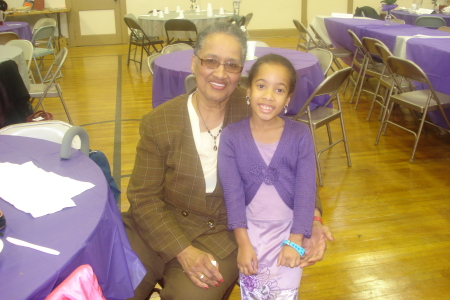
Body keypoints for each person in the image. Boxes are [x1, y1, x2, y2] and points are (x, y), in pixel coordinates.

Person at [122, 22, 333, 300]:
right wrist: (183, 251)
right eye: (211, 61)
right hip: (153, 229)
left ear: (240, 74)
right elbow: (143, 197)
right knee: (116, 286)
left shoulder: (257, 113)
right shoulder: (159, 122)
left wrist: (314, 221)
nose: (220, 73)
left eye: (232, 65)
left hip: (219, 235)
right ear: (194, 63)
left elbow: (296, 176)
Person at [219, 54, 315, 299]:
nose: (269, 96)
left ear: (288, 99)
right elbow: (233, 195)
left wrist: (295, 241)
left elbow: (306, 192)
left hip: (289, 233)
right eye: (261, 86)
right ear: (248, 89)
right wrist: (243, 244)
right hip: (251, 236)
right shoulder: (231, 136)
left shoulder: (300, 135)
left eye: (279, 89)